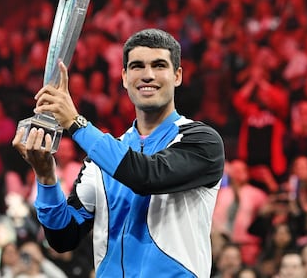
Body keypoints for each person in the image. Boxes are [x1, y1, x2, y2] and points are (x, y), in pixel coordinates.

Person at [12, 28, 225, 277]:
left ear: (177, 75)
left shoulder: (201, 141)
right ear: (124, 77)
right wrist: (46, 177)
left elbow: (147, 176)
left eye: (159, 66)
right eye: (137, 66)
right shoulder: (99, 160)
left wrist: (76, 123)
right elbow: (63, 237)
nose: (147, 75)